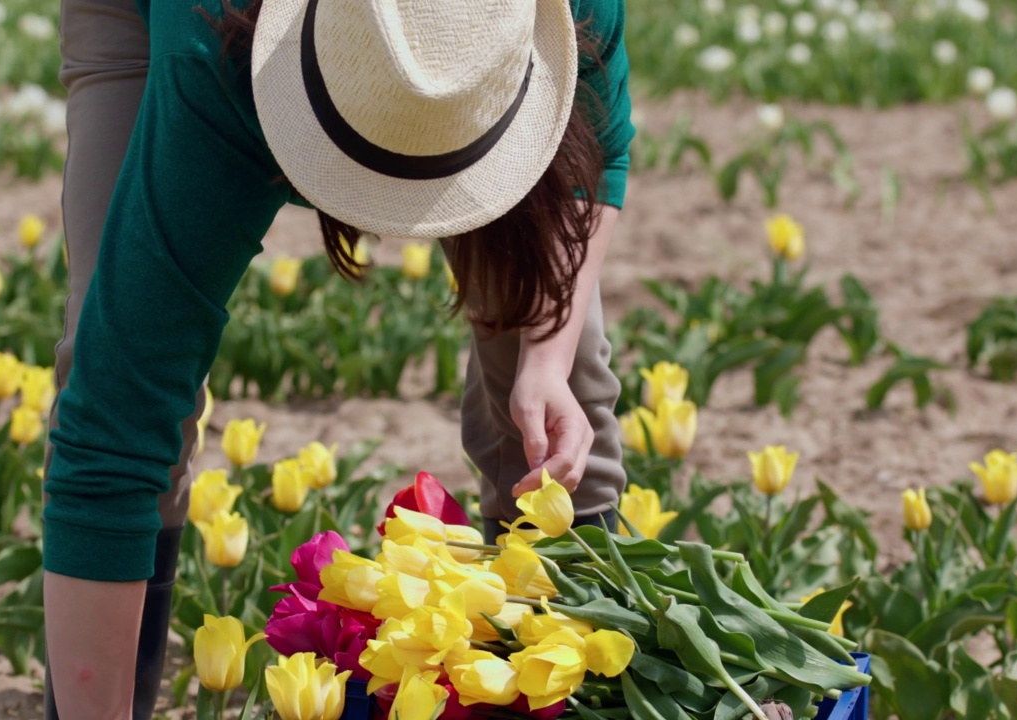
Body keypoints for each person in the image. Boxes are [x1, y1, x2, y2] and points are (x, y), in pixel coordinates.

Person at [42, 0, 635, 717]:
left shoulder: (570, 11)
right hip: (197, 34)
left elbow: (598, 152)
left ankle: (562, 684)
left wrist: (547, 353)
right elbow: (117, 416)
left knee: (566, 380)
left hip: (440, 62)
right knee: (116, 345)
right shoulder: (210, 63)